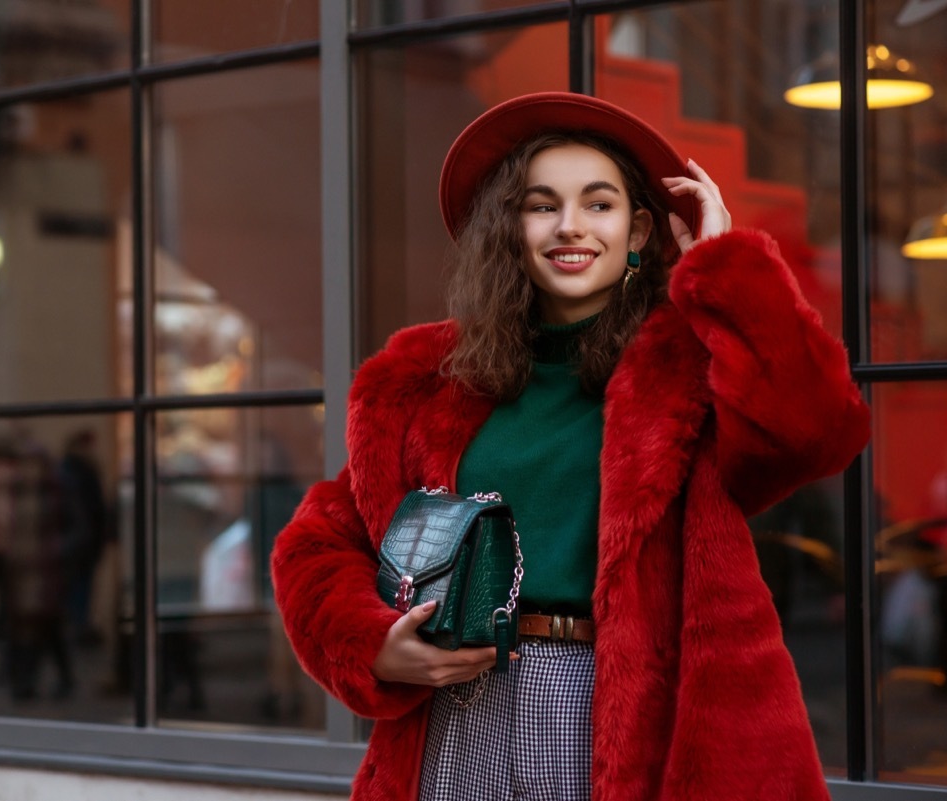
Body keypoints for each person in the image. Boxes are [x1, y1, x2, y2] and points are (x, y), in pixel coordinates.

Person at [270, 92, 871, 800]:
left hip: (626, 708)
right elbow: (315, 544)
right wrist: (373, 643)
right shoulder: (426, 379)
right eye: (541, 204)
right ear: (509, 227)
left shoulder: (697, 365)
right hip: (461, 708)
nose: (570, 226)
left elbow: (814, 430)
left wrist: (725, 265)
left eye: (599, 203)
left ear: (639, 227)